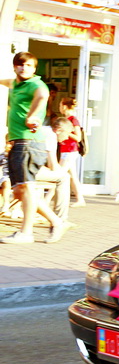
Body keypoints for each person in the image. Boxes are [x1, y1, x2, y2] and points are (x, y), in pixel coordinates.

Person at [0, 52, 70, 243]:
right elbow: (6, 82)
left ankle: (26, 233)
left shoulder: (36, 84)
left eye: (29, 65)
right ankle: (56, 222)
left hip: (28, 142)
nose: (24, 68)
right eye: (21, 65)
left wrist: (32, 115)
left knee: (27, 188)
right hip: (17, 142)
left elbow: (42, 96)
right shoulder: (16, 84)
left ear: (34, 68)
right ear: (15, 66)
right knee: (20, 191)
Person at [36, 118, 72, 225]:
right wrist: (62, 170)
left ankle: (40, 213)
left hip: (18, 168)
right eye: (67, 133)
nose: (67, 137)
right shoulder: (51, 135)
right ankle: (61, 218)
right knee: (65, 177)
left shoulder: (44, 130)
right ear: (59, 130)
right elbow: (53, 165)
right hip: (27, 171)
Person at [57, 97, 86, 206]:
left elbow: (78, 138)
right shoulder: (65, 119)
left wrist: (66, 131)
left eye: (60, 105)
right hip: (65, 150)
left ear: (65, 106)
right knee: (73, 176)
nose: (59, 107)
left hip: (70, 151)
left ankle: (46, 200)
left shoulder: (73, 120)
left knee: (57, 175)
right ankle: (80, 199)